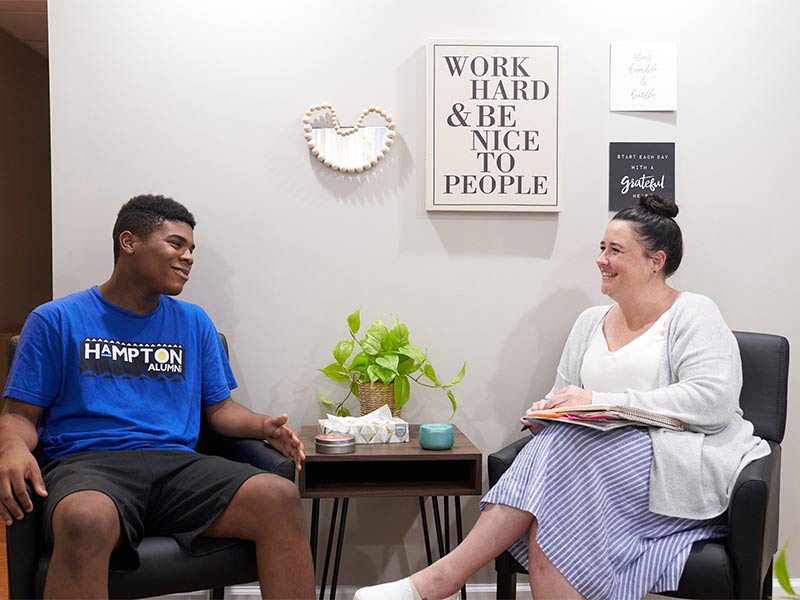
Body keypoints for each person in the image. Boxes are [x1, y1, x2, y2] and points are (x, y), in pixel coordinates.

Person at [354, 195, 770, 600]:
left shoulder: (693, 313)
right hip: (589, 462)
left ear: (655, 262)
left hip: (670, 464)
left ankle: (438, 581)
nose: (601, 259)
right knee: (555, 466)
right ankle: (437, 582)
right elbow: (565, 394)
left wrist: (599, 401)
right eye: (601, 247)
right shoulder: (590, 322)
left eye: (615, 250)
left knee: (558, 475)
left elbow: (711, 401)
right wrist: (548, 412)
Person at [0, 194, 315, 599]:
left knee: (279, 496)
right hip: (89, 465)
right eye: (175, 243)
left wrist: (262, 425)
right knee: (85, 519)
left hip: (178, 468)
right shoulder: (55, 319)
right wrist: (11, 448)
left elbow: (219, 409)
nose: (188, 257)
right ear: (129, 242)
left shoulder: (194, 321)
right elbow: (20, 415)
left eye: (191, 249)